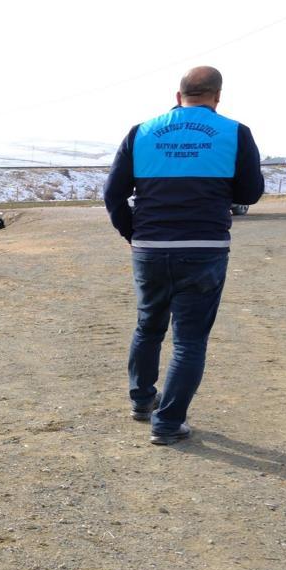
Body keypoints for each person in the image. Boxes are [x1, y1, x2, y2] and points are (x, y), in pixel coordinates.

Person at [103, 66, 263, 445]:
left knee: (148, 327)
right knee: (190, 341)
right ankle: (168, 423)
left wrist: (133, 232)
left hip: (151, 248)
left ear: (178, 97)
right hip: (204, 248)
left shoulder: (141, 132)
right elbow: (250, 193)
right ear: (217, 98)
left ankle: (143, 401)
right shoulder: (235, 133)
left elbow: (113, 194)